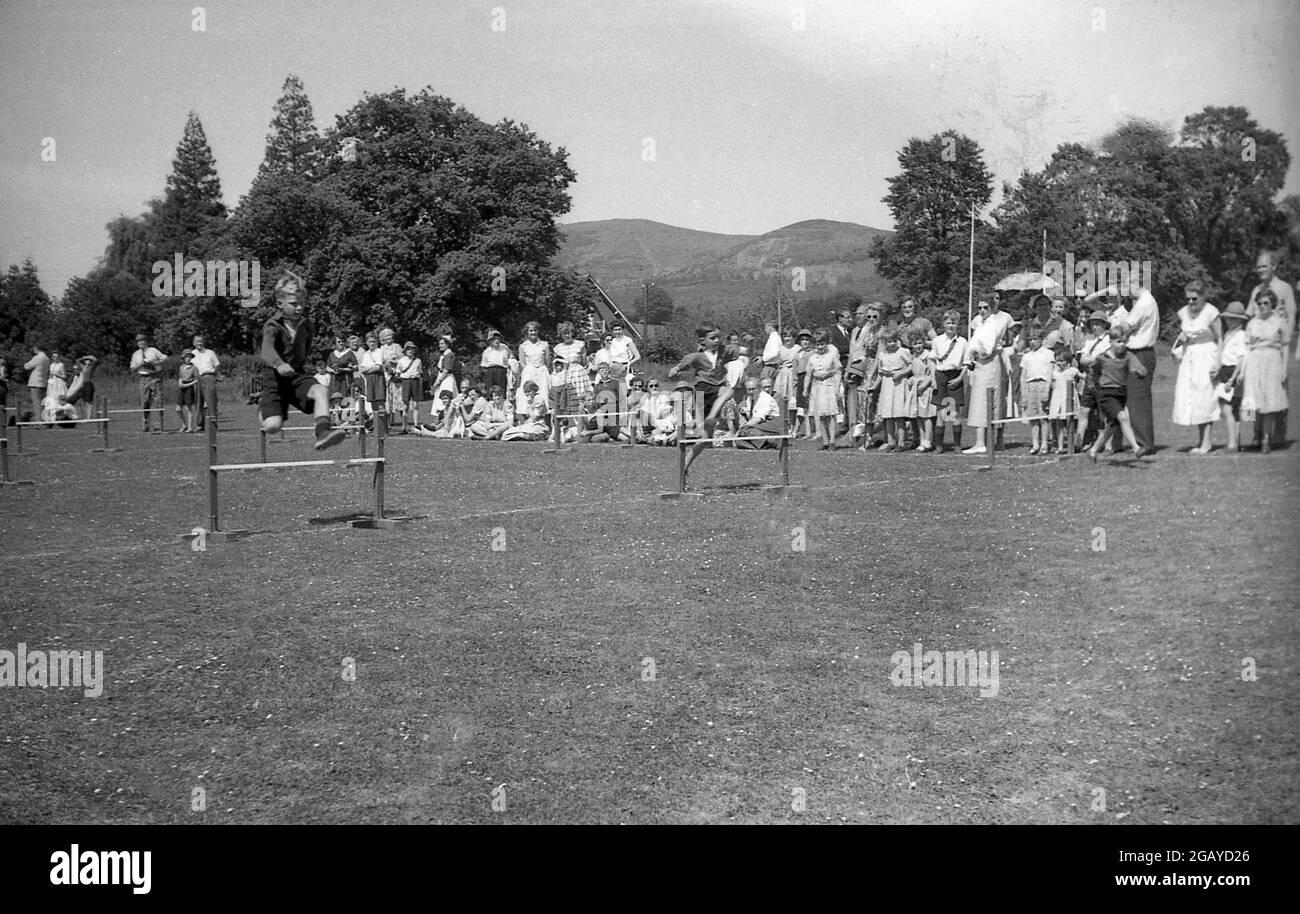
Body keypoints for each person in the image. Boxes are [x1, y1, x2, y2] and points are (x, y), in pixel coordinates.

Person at [257, 271, 347, 449]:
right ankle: (264, 408)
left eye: (301, 304)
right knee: (273, 426)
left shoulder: (306, 325)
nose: (299, 308)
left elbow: (305, 348)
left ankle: (323, 433)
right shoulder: (272, 325)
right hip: (274, 377)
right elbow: (266, 350)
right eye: (293, 304)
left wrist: (296, 368)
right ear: (279, 304)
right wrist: (279, 363)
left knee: (320, 390)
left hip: (296, 374)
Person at [668, 321, 740, 476]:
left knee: (706, 438)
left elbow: (743, 351)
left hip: (716, 391)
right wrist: (675, 370)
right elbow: (681, 365)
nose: (716, 341)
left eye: (718, 337)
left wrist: (751, 343)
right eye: (712, 338)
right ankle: (712, 416)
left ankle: (684, 465)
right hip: (703, 390)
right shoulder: (697, 356)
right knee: (729, 391)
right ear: (703, 341)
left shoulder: (724, 351)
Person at [1246, 251, 1296, 441]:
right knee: (1252, 393)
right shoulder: (1255, 290)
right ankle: (1255, 434)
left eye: (1264, 266)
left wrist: (1287, 343)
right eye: (1258, 267)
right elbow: (1250, 315)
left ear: (1273, 267)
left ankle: (1277, 436)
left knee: (1277, 392)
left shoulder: (1284, 288)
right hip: (1258, 347)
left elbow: (1291, 316)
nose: (1261, 270)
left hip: (1277, 346)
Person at [1171, 281, 1221, 454]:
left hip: (1206, 356)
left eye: (1194, 298)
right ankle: (1201, 441)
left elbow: (1219, 338)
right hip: (1189, 358)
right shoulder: (1184, 312)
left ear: (1202, 296)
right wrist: (1178, 346)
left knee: (1205, 397)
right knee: (1192, 398)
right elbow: (1184, 334)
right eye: (1188, 299)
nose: (1191, 302)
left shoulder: (1211, 312)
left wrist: (1218, 362)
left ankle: (1207, 442)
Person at [1087, 327, 1148, 462]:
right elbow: (1092, 371)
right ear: (1111, 341)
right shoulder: (1102, 358)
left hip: (1121, 393)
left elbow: (1140, 368)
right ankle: (1137, 448)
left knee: (1111, 427)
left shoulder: (1128, 356)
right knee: (1123, 417)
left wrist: (1140, 373)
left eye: (1125, 342)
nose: (1122, 345)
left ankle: (1093, 451)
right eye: (1119, 341)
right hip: (1106, 393)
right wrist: (1092, 382)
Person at [962, 295, 1014, 455]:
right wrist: (970, 356)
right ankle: (980, 441)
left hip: (989, 364)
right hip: (979, 366)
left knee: (988, 400)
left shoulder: (994, 323)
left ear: (991, 308)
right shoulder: (980, 322)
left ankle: (984, 442)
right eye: (980, 308)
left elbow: (987, 348)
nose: (982, 311)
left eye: (985, 307)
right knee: (979, 400)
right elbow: (974, 342)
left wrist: (977, 352)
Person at [1240, 289, 1289, 453]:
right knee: (1252, 401)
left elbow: (1285, 345)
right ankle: (1255, 434)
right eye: (1259, 303)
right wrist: (1242, 369)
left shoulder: (1279, 322)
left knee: (1269, 400)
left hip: (1272, 360)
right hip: (1254, 361)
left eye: (1265, 303)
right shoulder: (1252, 323)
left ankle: (1266, 438)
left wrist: (1284, 368)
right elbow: (1246, 346)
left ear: (1272, 304)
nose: (1262, 306)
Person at [1116, 284, 1159, 453]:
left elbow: (1125, 328)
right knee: (1127, 398)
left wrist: (1112, 329)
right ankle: (1128, 442)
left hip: (1139, 354)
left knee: (1138, 401)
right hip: (1134, 352)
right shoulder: (1142, 301)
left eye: (1128, 285)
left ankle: (1144, 444)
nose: (1126, 289)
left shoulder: (1144, 303)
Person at [1215, 302, 1250, 452]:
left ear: (1240, 320)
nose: (1229, 321)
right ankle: (1236, 441)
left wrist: (1232, 378)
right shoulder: (1229, 334)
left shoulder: (1241, 335)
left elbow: (1241, 359)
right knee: (1233, 410)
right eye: (1228, 318)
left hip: (1233, 373)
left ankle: (1232, 443)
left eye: (1233, 319)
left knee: (1227, 408)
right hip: (1225, 371)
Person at [1076, 309, 1113, 450]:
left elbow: (1107, 359)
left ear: (1105, 325)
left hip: (1103, 380)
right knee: (1084, 410)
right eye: (1092, 324)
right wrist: (1095, 359)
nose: (1095, 327)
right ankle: (1078, 441)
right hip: (1090, 380)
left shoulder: (1109, 340)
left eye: (1098, 323)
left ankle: (1107, 443)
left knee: (1104, 413)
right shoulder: (1089, 341)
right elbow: (1083, 360)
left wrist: (1093, 360)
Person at [931, 311, 967, 453]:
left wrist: (959, 378)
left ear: (958, 324)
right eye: (948, 322)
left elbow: (966, 362)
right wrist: (933, 379)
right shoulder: (937, 341)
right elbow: (932, 360)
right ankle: (939, 445)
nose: (951, 325)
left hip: (955, 375)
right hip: (941, 376)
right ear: (943, 324)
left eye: (953, 322)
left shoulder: (963, 342)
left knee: (954, 413)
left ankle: (957, 444)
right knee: (941, 412)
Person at [875, 330, 911, 451]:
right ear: (884, 343)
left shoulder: (903, 352)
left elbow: (911, 365)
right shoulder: (882, 354)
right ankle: (890, 441)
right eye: (889, 342)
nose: (891, 344)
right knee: (888, 415)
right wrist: (874, 386)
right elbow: (880, 373)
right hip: (887, 384)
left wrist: (901, 374)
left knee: (898, 414)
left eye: (894, 341)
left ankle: (901, 442)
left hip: (899, 384)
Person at [1020, 329, 1053, 454]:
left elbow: (1050, 373)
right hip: (1030, 386)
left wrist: (1046, 390)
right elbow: (1023, 376)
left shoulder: (1048, 353)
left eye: (1035, 339)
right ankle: (1035, 443)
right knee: (1033, 417)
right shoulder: (1026, 356)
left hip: (1042, 384)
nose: (1032, 342)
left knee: (1043, 416)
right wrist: (1024, 394)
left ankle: (1044, 443)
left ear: (1041, 340)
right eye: (1030, 339)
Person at [129, 332, 168, 431]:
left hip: (155, 377)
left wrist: (155, 362)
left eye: (142, 340)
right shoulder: (136, 354)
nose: (140, 343)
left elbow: (165, 357)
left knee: (158, 401)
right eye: (138, 341)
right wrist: (140, 364)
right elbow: (132, 368)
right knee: (144, 402)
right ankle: (145, 424)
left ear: (146, 341)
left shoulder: (153, 350)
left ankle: (158, 424)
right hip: (143, 378)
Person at [734, 377, 786, 448]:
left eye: (753, 389)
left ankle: (773, 442)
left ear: (759, 388)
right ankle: (764, 444)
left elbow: (758, 419)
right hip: (759, 427)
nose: (751, 391)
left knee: (746, 431)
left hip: (772, 425)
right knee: (739, 441)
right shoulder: (750, 399)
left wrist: (742, 428)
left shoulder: (765, 399)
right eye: (749, 389)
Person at [908, 333, 937, 452]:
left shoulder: (928, 356)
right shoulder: (913, 356)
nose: (918, 346)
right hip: (916, 386)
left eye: (920, 343)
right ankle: (922, 439)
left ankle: (928, 441)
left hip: (925, 386)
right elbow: (912, 370)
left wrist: (926, 384)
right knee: (918, 415)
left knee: (927, 415)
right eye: (915, 344)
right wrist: (911, 380)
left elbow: (932, 373)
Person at [516, 322, 551, 417]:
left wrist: (542, 369)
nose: (533, 333)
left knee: (543, 393)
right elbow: (522, 363)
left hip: (542, 371)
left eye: (535, 330)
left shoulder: (544, 345)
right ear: (527, 332)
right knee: (527, 393)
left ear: (538, 331)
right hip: (529, 371)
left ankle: (543, 416)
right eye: (531, 331)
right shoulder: (523, 346)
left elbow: (547, 361)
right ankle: (528, 416)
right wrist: (529, 371)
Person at [1048, 349, 1080, 452]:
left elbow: (1083, 377)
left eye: (1062, 361)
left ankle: (1073, 445)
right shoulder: (1055, 373)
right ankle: (1060, 447)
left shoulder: (1072, 371)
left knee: (1070, 423)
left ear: (1067, 361)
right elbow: (1051, 384)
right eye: (1057, 361)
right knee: (1059, 425)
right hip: (1057, 398)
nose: (1059, 363)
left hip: (1069, 399)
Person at [190, 334, 220, 430]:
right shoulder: (192, 353)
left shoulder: (210, 352)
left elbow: (217, 364)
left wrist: (214, 374)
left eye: (201, 341)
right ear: (194, 343)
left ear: (204, 342)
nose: (199, 343)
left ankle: (212, 424)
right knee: (198, 402)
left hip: (208, 376)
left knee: (211, 401)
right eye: (197, 341)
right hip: (197, 378)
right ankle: (200, 424)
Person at [357, 333, 384, 422]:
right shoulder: (366, 354)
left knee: (380, 401)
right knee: (372, 401)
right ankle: (376, 424)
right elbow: (361, 369)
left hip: (378, 378)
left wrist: (367, 369)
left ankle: (383, 424)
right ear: (367, 343)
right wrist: (372, 367)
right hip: (369, 379)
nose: (372, 343)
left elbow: (378, 367)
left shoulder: (380, 351)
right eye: (369, 342)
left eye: (373, 341)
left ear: (376, 342)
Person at [793, 328, 815, 439]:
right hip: (800, 379)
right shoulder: (797, 354)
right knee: (801, 407)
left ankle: (809, 432)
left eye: (807, 340)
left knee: (808, 406)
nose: (805, 342)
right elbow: (795, 370)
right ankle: (796, 431)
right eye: (803, 340)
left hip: (809, 378)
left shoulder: (813, 353)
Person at [63, 355, 98, 419]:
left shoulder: (91, 367)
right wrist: (84, 357)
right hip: (83, 384)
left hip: (89, 384)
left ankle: (88, 416)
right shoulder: (83, 367)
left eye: (89, 361)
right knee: (83, 401)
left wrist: (89, 357)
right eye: (86, 361)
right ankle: (85, 416)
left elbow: (95, 360)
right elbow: (77, 360)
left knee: (88, 401)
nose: (87, 362)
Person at [23, 343, 50, 424]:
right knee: (41, 402)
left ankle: (38, 421)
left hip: (35, 382)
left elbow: (27, 366)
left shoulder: (37, 357)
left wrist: (25, 363)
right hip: (43, 381)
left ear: (36, 348)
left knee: (36, 402)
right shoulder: (46, 358)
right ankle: (42, 418)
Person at [326, 335, 357, 403]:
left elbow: (355, 366)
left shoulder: (349, 353)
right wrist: (332, 371)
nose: (341, 343)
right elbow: (327, 367)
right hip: (334, 380)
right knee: (334, 399)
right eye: (339, 342)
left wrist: (343, 369)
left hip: (345, 380)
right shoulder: (332, 354)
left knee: (345, 399)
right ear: (335, 343)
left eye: (342, 341)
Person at [480, 330, 511, 396]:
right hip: (490, 371)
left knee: (502, 389)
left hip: (501, 370)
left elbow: (510, 357)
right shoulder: (486, 351)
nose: (496, 341)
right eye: (494, 339)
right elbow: (484, 366)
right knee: (490, 390)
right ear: (490, 341)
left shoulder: (504, 349)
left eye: (498, 339)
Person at [176, 350, 199, 432]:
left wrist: (187, 385)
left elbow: (196, 380)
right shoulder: (181, 367)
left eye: (189, 357)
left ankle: (190, 427)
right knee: (178, 408)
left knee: (188, 408)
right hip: (182, 387)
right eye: (186, 357)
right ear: (184, 358)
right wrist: (180, 382)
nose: (188, 359)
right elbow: (180, 376)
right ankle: (184, 424)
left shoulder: (194, 368)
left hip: (189, 387)